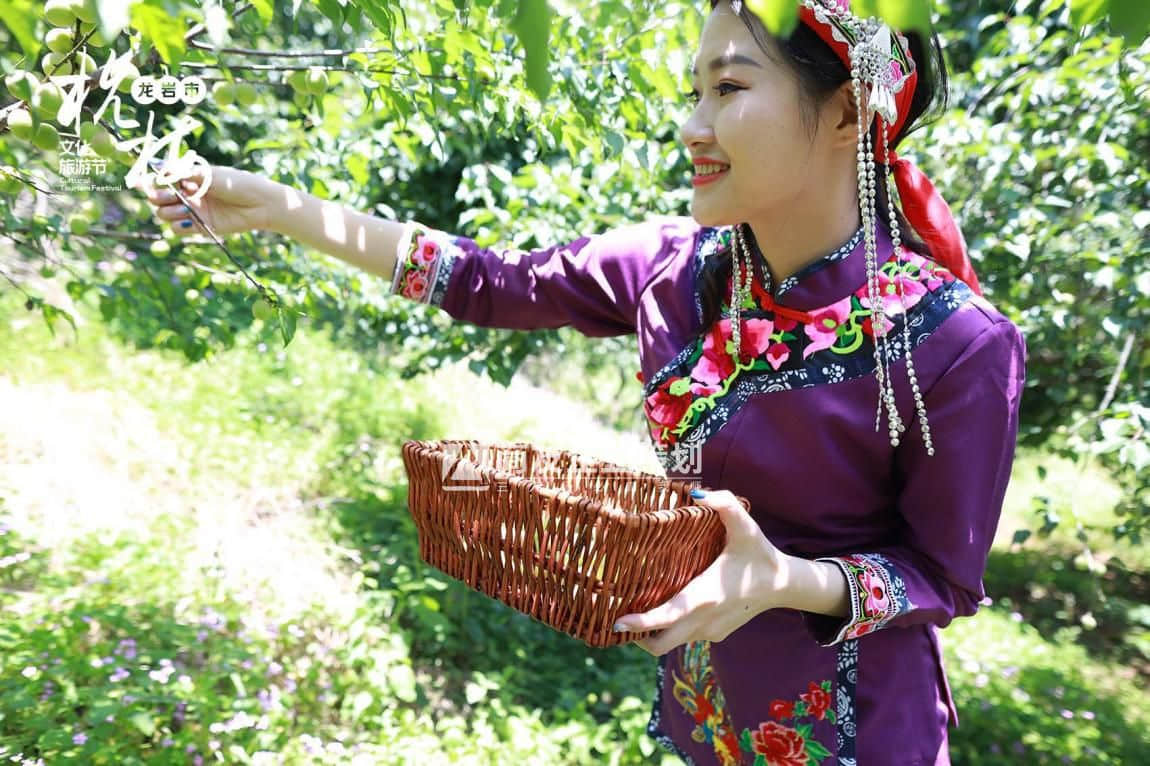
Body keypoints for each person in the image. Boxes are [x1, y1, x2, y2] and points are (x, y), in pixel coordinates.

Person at [140, 1, 1027, 762]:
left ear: (847, 112)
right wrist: (280, 209)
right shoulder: (675, 270)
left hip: (860, 737)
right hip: (705, 719)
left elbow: (941, 579)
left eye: (728, 88)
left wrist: (787, 580)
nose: (693, 126)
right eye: (694, 93)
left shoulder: (956, 343)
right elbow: (490, 281)